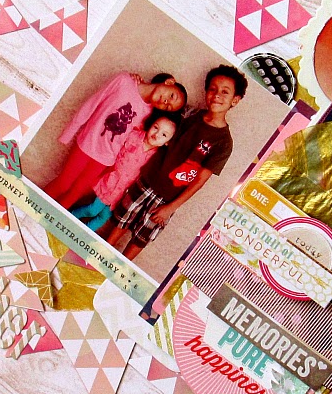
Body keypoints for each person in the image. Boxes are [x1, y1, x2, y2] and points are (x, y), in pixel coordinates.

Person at [107, 64, 247, 259]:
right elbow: (160, 101)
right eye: (212, 89)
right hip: (146, 181)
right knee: (120, 223)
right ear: (206, 92)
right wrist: (140, 84)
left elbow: (200, 181)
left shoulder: (224, 142)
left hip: (168, 200)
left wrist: (171, 208)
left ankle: (116, 270)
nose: (216, 95)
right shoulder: (188, 114)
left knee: (141, 238)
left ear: (235, 100)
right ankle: (96, 257)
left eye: (225, 92)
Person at [44, 72, 187, 210]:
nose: (166, 102)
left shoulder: (148, 114)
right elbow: (92, 103)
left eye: (168, 107)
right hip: (88, 144)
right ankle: (32, 206)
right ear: (169, 82)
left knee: (76, 193)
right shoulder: (124, 81)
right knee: (63, 184)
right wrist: (69, 132)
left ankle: (44, 220)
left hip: (106, 159)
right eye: (172, 96)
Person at [69, 111, 179, 231]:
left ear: (167, 142)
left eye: (164, 135)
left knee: (103, 217)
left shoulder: (156, 157)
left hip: (124, 192)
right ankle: (68, 217)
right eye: (156, 127)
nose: (157, 134)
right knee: (92, 209)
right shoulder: (134, 136)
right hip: (110, 181)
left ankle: (82, 232)